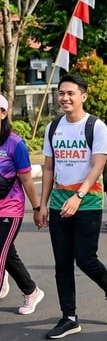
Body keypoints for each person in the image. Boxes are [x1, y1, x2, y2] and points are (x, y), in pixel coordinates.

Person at [40, 74, 107, 339]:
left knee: (85, 258)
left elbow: (97, 165)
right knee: (62, 263)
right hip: (58, 203)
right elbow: (48, 168)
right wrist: (42, 205)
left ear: (83, 97)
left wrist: (78, 196)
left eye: (70, 93)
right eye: (61, 93)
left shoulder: (95, 126)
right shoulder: (53, 127)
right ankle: (69, 317)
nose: (65, 98)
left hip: (87, 202)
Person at [0, 94, 45, 315]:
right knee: (6, 254)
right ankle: (31, 290)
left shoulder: (15, 143)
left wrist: (37, 209)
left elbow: (27, 179)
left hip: (10, 207)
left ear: (3, 113)